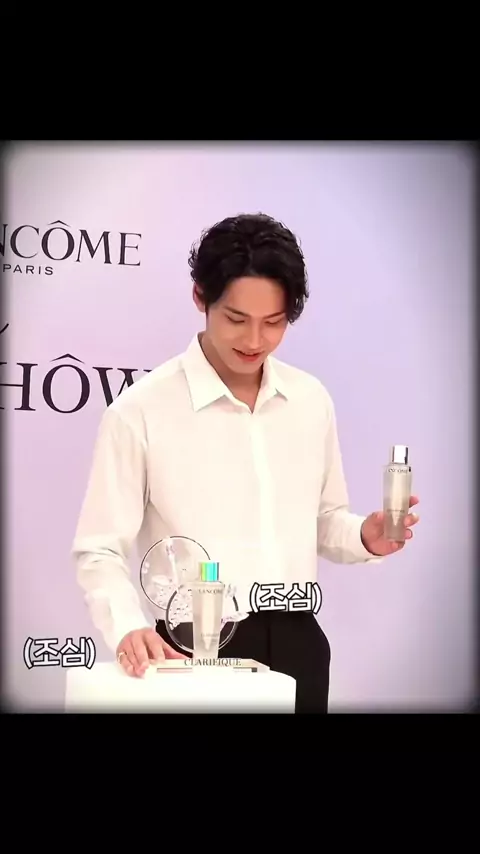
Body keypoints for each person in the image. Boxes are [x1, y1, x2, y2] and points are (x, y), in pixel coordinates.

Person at [72, 213, 419, 713]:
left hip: (300, 644)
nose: (255, 340)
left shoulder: (309, 400)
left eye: (274, 322)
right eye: (236, 319)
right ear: (200, 297)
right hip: (194, 648)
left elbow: (323, 522)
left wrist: (366, 536)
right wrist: (126, 625)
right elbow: (99, 548)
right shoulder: (139, 411)